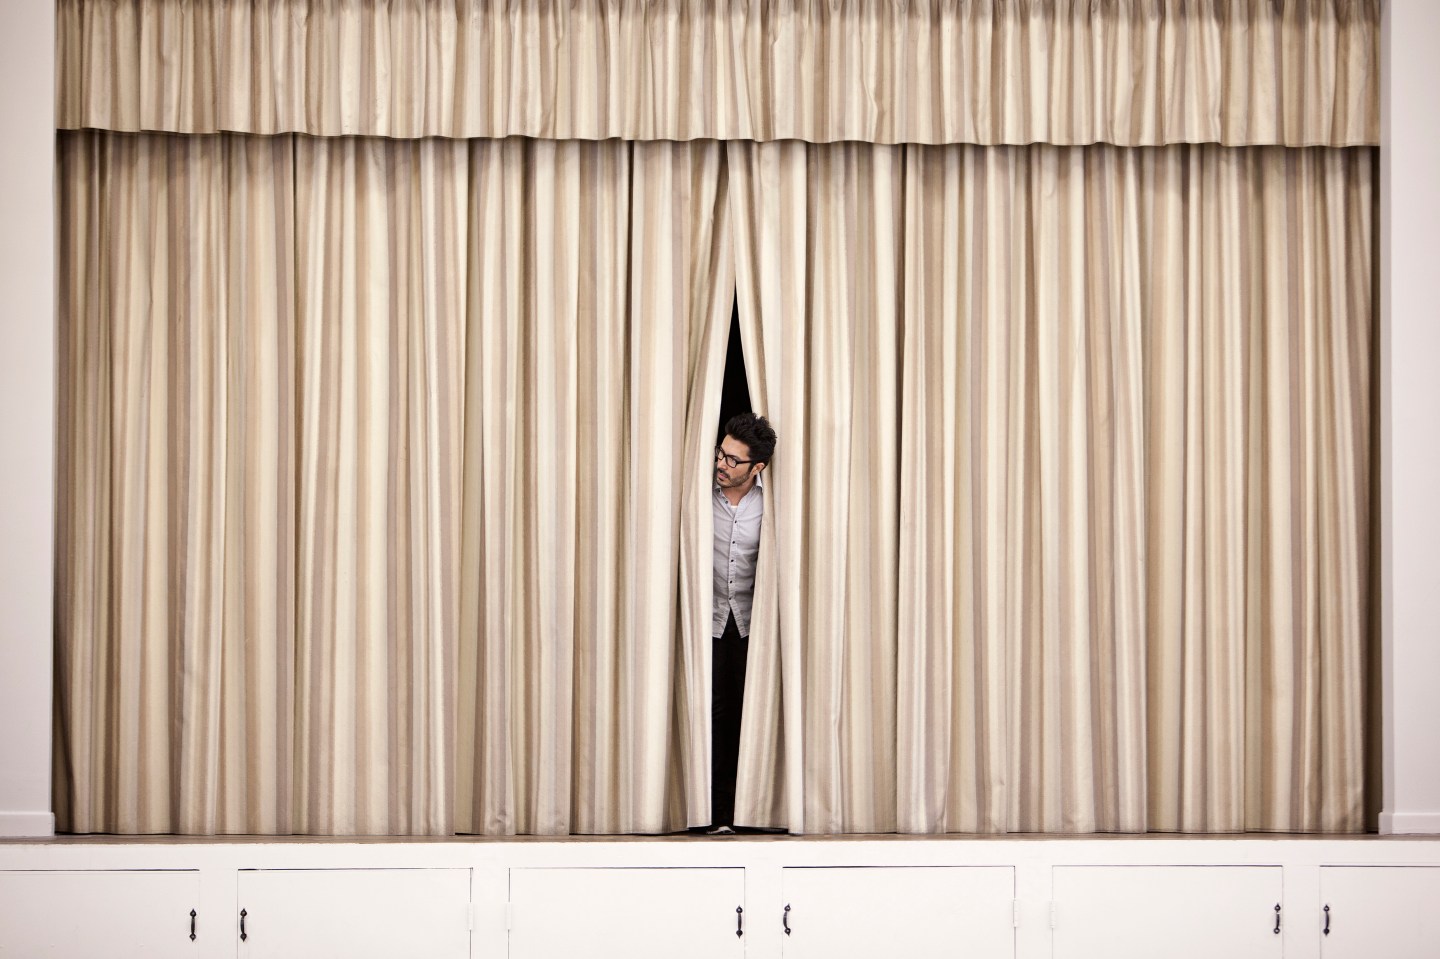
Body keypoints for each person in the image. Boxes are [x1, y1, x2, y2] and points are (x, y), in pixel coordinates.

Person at [708, 412, 777, 834]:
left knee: (748, 716)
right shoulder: (698, 495)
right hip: (708, 621)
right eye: (721, 454)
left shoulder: (773, 504)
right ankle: (709, 813)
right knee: (709, 716)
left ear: (758, 467)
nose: (722, 465)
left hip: (753, 624)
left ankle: (749, 812)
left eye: (734, 461)